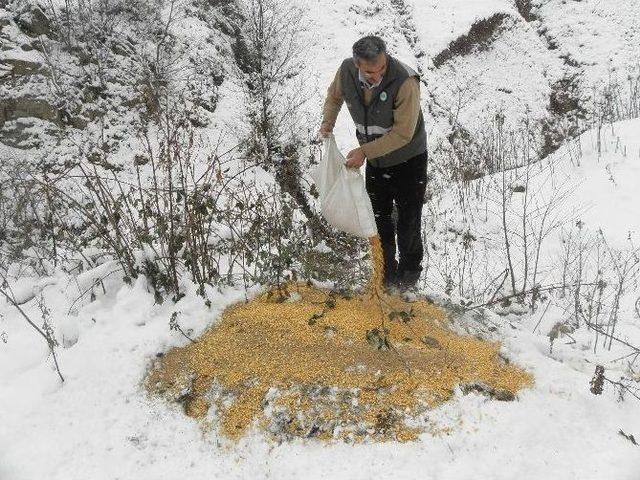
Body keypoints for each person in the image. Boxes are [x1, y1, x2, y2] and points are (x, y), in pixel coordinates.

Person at [319, 35, 428, 291]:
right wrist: (327, 122)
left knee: (408, 221)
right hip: (377, 161)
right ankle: (386, 278)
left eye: (381, 68)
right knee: (378, 221)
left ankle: (409, 279)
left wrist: (365, 151)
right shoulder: (346, 71)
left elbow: (403, 133)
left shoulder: (405, 81)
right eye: (370, 71)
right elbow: (334, 97)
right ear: (357, 64)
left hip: (409, 160)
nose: (377, 75)